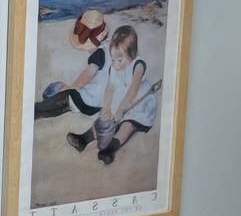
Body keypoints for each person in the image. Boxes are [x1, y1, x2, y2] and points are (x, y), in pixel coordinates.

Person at [68, 24, 159, 168]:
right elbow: (110, 88)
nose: (115, 64)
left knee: (127, 125)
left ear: (132, 54)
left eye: (120, 59)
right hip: (121, 99)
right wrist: (106, 108)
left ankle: (110, 150)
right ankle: (84, 139)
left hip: (140, 103)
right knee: (103, 119)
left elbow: (134, 89)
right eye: (113, 58)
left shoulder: (138, 64)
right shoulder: (115, 65)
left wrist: (122, 109)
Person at [34, 9, 109, 122]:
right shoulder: (108, 49)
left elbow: (88, 74)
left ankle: (39, 107)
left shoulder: (99, 54)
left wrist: (71, 87)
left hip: (90, 101)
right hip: (98, 102)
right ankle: (43, 109)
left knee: (63, 95)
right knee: (66, 103)